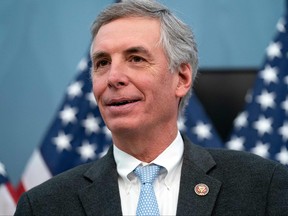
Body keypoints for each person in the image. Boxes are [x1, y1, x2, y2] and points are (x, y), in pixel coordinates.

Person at [14, 0, 288, 215]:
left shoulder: (261, 187)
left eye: (135, 58)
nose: (113, 77)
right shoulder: (43, 206)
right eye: (102, 63)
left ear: (181, 79)